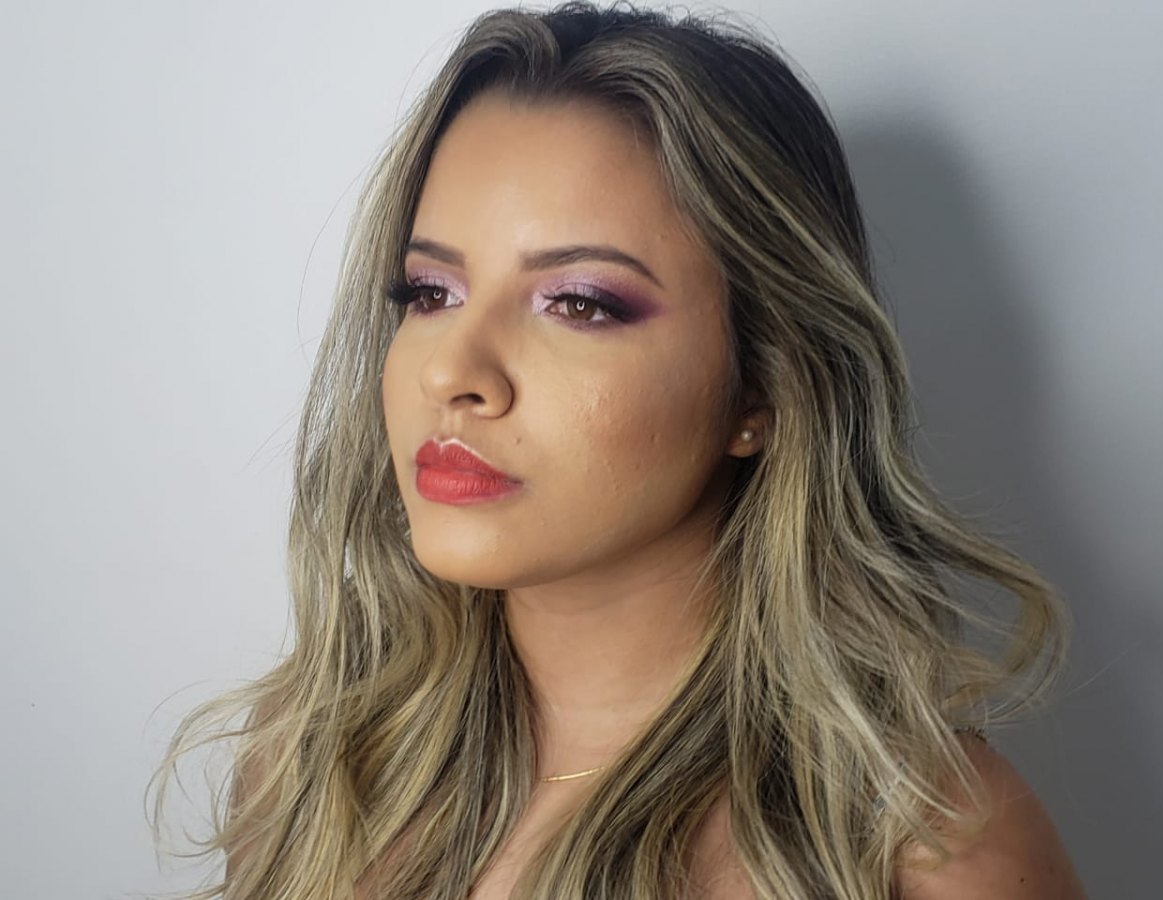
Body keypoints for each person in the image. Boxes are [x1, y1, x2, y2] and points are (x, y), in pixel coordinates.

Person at [147, 2, 1087, 898]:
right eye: (430, 294)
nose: (453, 373)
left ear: (761, 385)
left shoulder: (928, 849)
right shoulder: (312, 767)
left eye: (579, 304)